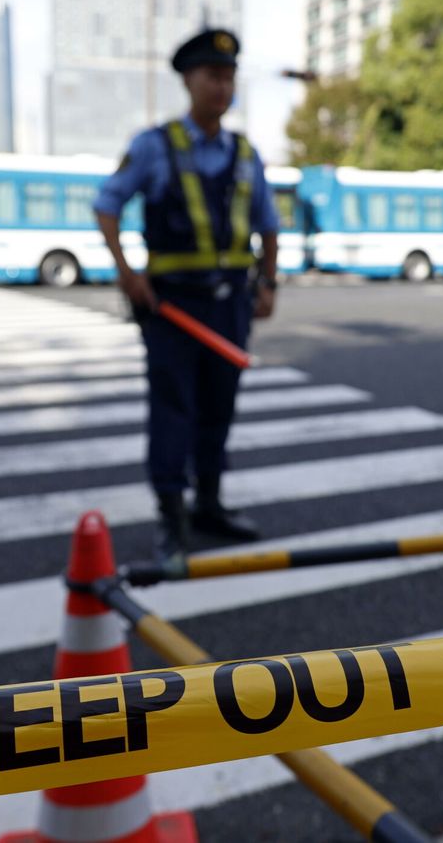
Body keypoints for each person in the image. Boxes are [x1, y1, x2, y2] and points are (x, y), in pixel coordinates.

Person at [93, 28, 279, 558]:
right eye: (211, 76)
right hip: (172, 309)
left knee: (219, 408)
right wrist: (128, 273)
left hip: (231, 305)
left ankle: (210, 505)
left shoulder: (246, 153)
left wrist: (267, 284)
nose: (222, 87)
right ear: (188, 80)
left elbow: (268, 224)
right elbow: (106, 205)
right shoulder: (154, 146)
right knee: (174, 409)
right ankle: (171, 517)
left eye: (228, 77)